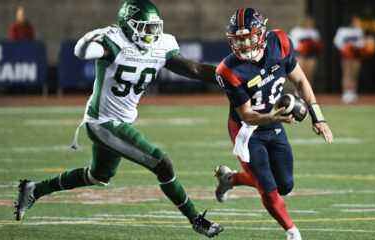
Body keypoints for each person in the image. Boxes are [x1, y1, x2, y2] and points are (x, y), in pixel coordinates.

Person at [13, 0, 223, 238]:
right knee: (162, 163)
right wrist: (90, 37)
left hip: (121, 122)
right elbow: (81, 52)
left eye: (154, 27)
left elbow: (194, 70)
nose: (151, 33)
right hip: (102, 122)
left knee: (98, 176)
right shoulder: (114, 43)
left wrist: (230, 79)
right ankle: (195, 219)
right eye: (144, 27)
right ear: (128, 26)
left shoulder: (162, 45)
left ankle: (35, 190)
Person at [213, 8, 333, 240]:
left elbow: (300, 80)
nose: (246, 44)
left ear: (262, 33)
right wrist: (272, 116)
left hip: (273, 124)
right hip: (247, 130)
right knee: (267, 186)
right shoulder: (228, 70)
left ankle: (230, 179)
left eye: (250, 37)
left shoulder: (280, 41)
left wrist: (318, 116)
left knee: (284, 185)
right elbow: (247, 115)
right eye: (239, 39)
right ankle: (292, 232)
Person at [333, 16, 365, 103]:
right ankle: (346, 92)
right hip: (346, 55)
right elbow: (337, 41)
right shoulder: (342, 30)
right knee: (347, 73)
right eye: (355, 21)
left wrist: (355, 46)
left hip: (356, 55)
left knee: (355, 74)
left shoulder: (359, 30)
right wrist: (346, 48)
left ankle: (353, 91)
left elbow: (361, 42)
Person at [289, 15, 323, 86]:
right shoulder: (296, 31)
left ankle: (308, 91)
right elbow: (292, 42)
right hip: (300, 55)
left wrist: (311, 46)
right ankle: (297, 91)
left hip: (311, 55)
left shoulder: (314, 32)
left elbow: (317, 43)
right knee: (299, 74)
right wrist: (301, 47)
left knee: (309, 74)